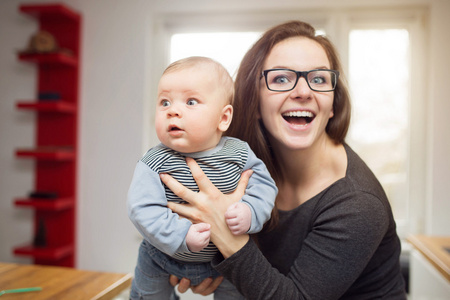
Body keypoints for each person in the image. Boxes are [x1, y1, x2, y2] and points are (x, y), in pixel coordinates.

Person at [162, 21, 407, 299]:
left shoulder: (358, 204)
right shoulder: (245, 167)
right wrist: (199, 265)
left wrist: (228, 243)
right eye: (280, 78)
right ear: (254, 103)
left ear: (332, 106)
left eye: (318, 79)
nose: (303, 92)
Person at [127, 56, 277, 299]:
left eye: (191, 101)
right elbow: (141, 208)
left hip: (224, 259)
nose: (173, 111)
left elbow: (263, 186)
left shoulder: (239, 152)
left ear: (223, 118)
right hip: (160, 256)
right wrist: (181, 234)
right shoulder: (153, 161)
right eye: (164, 102)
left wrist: (250, 212)